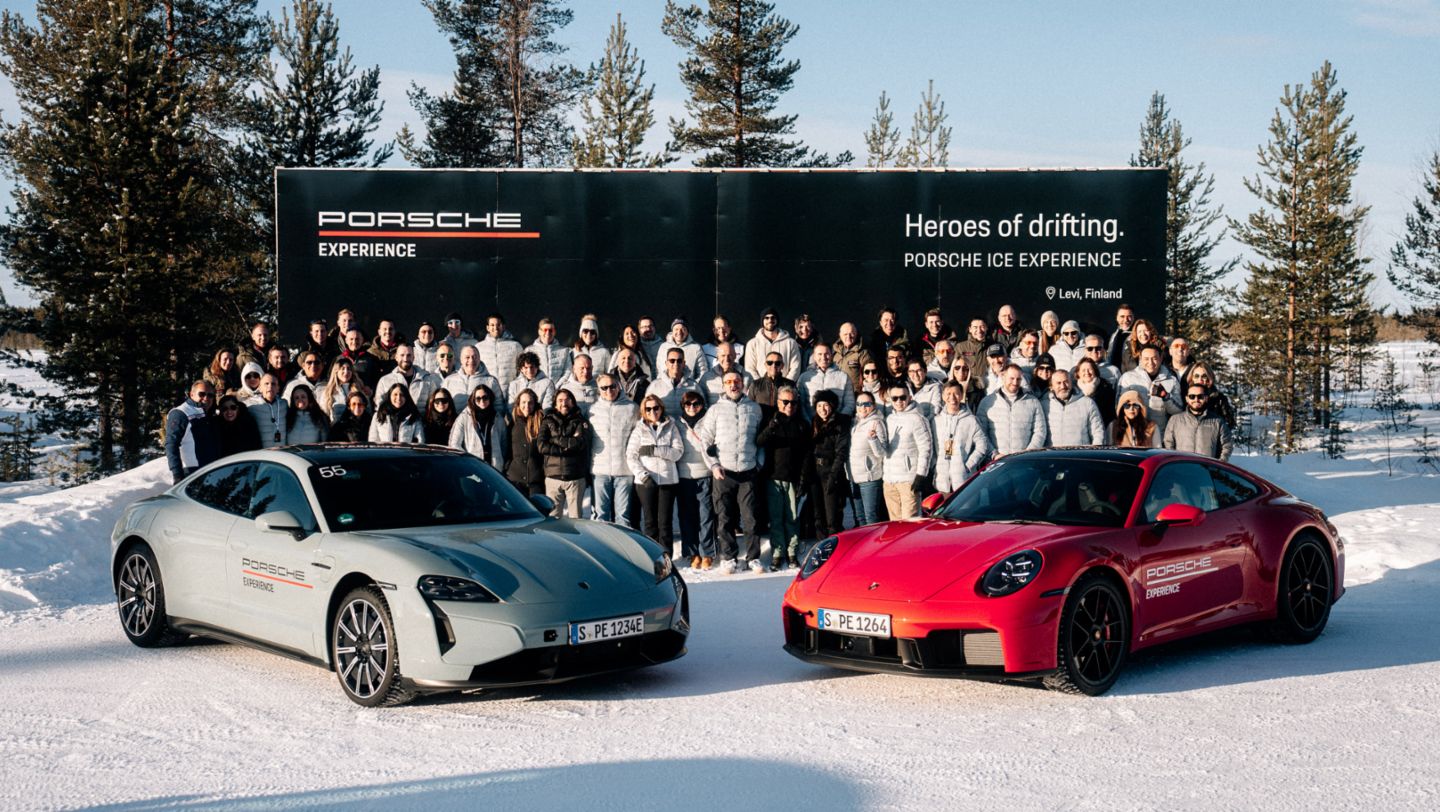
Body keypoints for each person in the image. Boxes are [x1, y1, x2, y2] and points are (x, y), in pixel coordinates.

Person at [694, 370, 764, 573]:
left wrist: (758, 463)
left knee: (750, 517)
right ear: (723, 385)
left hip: (748, 470)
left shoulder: (754, 408)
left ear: (743, 384)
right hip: (724, 472)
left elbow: (761, 441)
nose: (733, 385)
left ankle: (753, 558)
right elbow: (706, 441)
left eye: (737, 381)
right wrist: (714, 465)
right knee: (724, 517)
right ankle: (729, 556)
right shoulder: (715, 410)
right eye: (728, 382)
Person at [757, 385, 810, 569]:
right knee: (776, 518)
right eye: (785, 402)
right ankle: (777, 553)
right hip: (773, 478)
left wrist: (803, 480)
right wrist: (772, 426)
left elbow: (806, 455)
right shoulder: (771, 420)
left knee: (792, 518)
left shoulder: (802, 424)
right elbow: (759, 441)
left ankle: (792, 552)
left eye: (793, 402)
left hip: (793, 479)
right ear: (778, 402)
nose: (789, 406)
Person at [627, 394, 685, 550]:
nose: (653, 411)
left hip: (667, 480)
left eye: (656, 408)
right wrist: (643, 476)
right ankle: (653, 556)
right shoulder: (639, 430)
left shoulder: (671, 426)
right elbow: (631, 456)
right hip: (645, 482)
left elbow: (678, 452)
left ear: (661, 408)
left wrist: (656, 450)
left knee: (665, 522)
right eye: (648, 409)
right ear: (644, 411)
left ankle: (667, 556)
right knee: (650, 522)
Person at [589, 373, 638, 527]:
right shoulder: (592, 410)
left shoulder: (632, 408)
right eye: (604, 388)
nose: (609, 390)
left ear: (618, 386)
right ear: (599, 390)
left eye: (612, 386)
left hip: (624, 471)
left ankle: (623, 549)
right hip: (600, 471)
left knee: (623, 517)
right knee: (600, 516)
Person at [674, 391, 717, 569]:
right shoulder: (676, 423)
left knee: (706, 516)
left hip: (704, 473)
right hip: (684, 475)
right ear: (683, 406)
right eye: (688, 404)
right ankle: (692, 552)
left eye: (696, 404)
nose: (692, 408)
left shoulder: (708, 421)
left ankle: (708, 552)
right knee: (687, 517)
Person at [880, 384, 933, 520]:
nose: (899, 401)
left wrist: (921, 475)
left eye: (902, 397)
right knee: (894, 523)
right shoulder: (889, 419)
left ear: (909, 397)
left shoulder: (917, 419)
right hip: (890, 480)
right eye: (895, 398)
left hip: (908, 480)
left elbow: (926, 448)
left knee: (910, 522)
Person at [537, 388, 592, 518]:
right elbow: (541, 446)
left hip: (575, 477)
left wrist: (555, 439)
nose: (564, 403)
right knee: (553, 518)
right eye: (560, 400)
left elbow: (580, 443)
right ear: (555, 403)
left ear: (573, 402)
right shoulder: (548, 420)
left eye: (567, 400)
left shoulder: (580, 420)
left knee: (576, 517)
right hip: (553, 477)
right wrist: (566, 447)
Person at [931, 382, 992, 494]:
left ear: (961, 395)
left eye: (956, 393)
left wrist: (969, 465)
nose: (952, 397)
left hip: (963, 481)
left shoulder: (971, 420)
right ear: (943, 396)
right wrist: (935, 465)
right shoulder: (936, 421)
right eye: (948, 394)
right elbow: (932, 447)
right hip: (941, 483)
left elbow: (983, 445)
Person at [978, 364, 1047, 457]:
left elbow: (1040, 431)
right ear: (1003, 377)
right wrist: (994, 454)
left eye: (1018, 379)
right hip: (995, 461)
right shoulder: (987, 402)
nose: (1015, 382)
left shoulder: (1033, 402)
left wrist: (1028, 453)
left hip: (1023, 461)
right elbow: (981, 432)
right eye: (1011, 378)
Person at [807, 390, 850, 539]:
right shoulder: (814, 422)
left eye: (826, 405)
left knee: (832, 515)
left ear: (832, 406)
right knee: (818, 514)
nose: (822, 409)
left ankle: (834, 546)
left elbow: (841, 453)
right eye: (819, 405)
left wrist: (833, 476)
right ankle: (821, 545)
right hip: (815, 473)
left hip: (831, 471)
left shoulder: (840, 423)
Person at [1118, 346, 1183, 440]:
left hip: (1159, 436)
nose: (1150, 363)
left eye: (1154, 358)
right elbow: (1119, 407)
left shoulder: (1171, 379)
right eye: (1146, 359)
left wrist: (1165, 396)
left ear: (1161, 358)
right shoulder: (1128, 378)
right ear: (1140, 359)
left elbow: (1178, 410)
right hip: (1133, 436)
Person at [164, 381, 219, 483]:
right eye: (202, 394)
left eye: (210, 395)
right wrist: (177, 474)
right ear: (191, 394)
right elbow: (171, 445)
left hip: (211, 471)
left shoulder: (209, 414)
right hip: (192, 473)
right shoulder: (180, 413)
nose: (206, 398)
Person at [1164, 383, 1234, 460]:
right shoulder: (1175, 420)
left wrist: (1221, 463)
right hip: (1182, 468)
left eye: (1200, 396)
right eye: (1192, 396)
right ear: (1187, 399)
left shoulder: (1217, 422)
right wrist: (1174, 462)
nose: (1196, 400)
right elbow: (1168, 443)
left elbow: (1227, 444)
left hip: (1206, 469)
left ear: (1206, 398)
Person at [848, 392, 887, 526]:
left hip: (869, 477)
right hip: (854, 477)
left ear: (873, 405)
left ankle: (873, 546)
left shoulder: (876, 423)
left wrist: (873, 439)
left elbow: (882, 453)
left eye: (866, 404)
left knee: (871, 518)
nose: (862, 407)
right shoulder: (855, 423)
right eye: (859, 404)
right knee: (860, 517)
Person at [1042, 369, 1106, 447]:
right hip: (1053, 456)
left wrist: (1095, 452)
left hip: (1079, 456)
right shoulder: (1044, 405)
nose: (1063, 386)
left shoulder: (1087, 403)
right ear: (1051, 387)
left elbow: (1098, 432)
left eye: (1066, 382)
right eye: (1058, 383)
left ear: (1071, 383)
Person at [449, 384, 507, 469]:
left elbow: (504, 444)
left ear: (490, 398)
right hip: (472, 467)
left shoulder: (498, 419)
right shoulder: (464, 417)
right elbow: (454, 444)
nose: (482, 401)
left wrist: (500, 460)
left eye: (485, 397)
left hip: (494, 468)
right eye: (478, 398)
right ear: (473, 399)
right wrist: (466, 461)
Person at [796, 342, 856, 419]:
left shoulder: (843, 377)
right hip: (811, 424)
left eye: (826, 354)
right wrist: (809, 422)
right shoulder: (804, 377)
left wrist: (840, 420)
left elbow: (849, 403)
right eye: (820, 354)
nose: (823, 357)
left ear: (831, 355)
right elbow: (801, 404)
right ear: (814, 356)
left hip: (836, 425)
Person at [374, 344, 442, 411]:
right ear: (396, 357)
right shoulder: (385, 381)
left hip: (420, 421)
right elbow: (379, 408)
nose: (405, 359)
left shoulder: (427, 379)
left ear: (413, 358)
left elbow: (433, 406)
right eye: (402, 355)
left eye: (409, 355)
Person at [504, 389, 546, 495]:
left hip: (536, 481)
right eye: (523, 402)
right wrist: (507, 467)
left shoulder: (542, 423)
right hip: (515, 479)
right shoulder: (512, 424)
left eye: (530, 402)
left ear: (535, 404)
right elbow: (507, 449)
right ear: (518, 404)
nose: (527, 406)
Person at [745, 307, 801, 381]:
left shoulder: (790, 343)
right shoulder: (752, 344)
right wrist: (760, 386)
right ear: (762, 321)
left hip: (785, 388)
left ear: (777, 320)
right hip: (761, 389)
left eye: (773, 318)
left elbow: (795, 367)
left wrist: (786, 385)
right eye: (766, 318)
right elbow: (750, 368)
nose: (770, 320)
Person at [646, 346, 703, 417]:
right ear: (666, 363)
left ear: (684, 363)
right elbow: (646, 410)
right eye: (672, 361)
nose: (676, 364)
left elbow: (702, 409)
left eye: (679, 361)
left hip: (686, 427)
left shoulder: (694, 386)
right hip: (664, 426)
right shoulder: (655, 386)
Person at [443, 345, 503, 412]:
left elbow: (499, 406)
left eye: (474, 357)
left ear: (479, 359)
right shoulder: (449, 381)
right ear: (461, 360)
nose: (471, 360)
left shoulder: (491, 381)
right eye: (467, 357)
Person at [477, 313, 524, 389]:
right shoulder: (479, 347)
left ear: (503, 327)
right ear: (487, 328)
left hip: (510, 393)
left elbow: (522, 370)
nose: (495, 327)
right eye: (492, 325)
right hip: (488, 394)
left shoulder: (515, 346)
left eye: (498, 324)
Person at [320, 356, 372, 423]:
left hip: (358, 429)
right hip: (336, 429)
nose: (346, 371)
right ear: (336, 371)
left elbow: (368, 411)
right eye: (342, 368)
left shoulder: (360, 389)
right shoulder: (328, 392)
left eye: (349, 369)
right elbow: (323, 416)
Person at [698, 341, 752, 405]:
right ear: (717, 357)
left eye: (730, 355)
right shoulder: (707, 378)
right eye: (723, 355)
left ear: (735, 356)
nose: (727, 359)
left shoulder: (747, 376)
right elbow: (701, 403)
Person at [748, 350, 794, 420]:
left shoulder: (790, 384)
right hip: (761, 425)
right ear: (765, 365)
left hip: (783, 424)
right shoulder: (755, 384)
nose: (774, 366)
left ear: (782, 366)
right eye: (770, 363)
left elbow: (795, 407)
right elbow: (749, 407)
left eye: (777, 363)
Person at [1072, 358, 1117, 431]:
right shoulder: (1073, 391)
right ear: (1078, 373)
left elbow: (1111, 415)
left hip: (1101, 429)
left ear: (1095, 371)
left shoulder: (1106, 389)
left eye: (1090, 369)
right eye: (1083, 370)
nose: (1087, 372)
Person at [1189, 363, 1237, 428]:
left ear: (1209, 377)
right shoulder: (1187, 396)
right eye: (1197, 376)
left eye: (1204, 376)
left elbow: (1229, 423)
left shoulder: (1219, 398)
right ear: (1192, 378)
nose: (1200, 379)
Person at [248, 373, 289, 448]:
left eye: (273, 384)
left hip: (282, 452)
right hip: (263, 453)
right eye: (266, 384)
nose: (270, 386)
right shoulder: (251, 406)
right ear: (260, 388)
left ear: (278, 388)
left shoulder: (284, 404)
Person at [215, 393, 260, 458]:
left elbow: (256, 446)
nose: (229, 411)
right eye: (225, 409)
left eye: (233, 407)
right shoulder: (217, 427)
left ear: (238, 409)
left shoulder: (248, 425)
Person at [832, 322, 872, 393]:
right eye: (845, 334)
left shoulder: (863, 353)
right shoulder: (834, 352)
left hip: (854, 394)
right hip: (836, 393)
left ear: (856, 334)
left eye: (852, 333)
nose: (848, 337)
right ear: (840, 335)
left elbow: (870, 376)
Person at [529, 317, 572, 382]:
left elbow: (568, 371)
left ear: (554, 332)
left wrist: (557, 388)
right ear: (539, 331)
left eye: (550, 330)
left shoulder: (565, 351)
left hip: (558, 390)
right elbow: (525, 373)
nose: (548, 333)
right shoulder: (529, 350)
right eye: (545, 330)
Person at [1105, 303, 1136, 369]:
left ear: (1133, 317)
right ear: (1117, 318)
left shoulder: (1138, 335)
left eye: (1129, 316)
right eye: (1122, 316)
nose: (1126, 320)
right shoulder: (1114, 335)